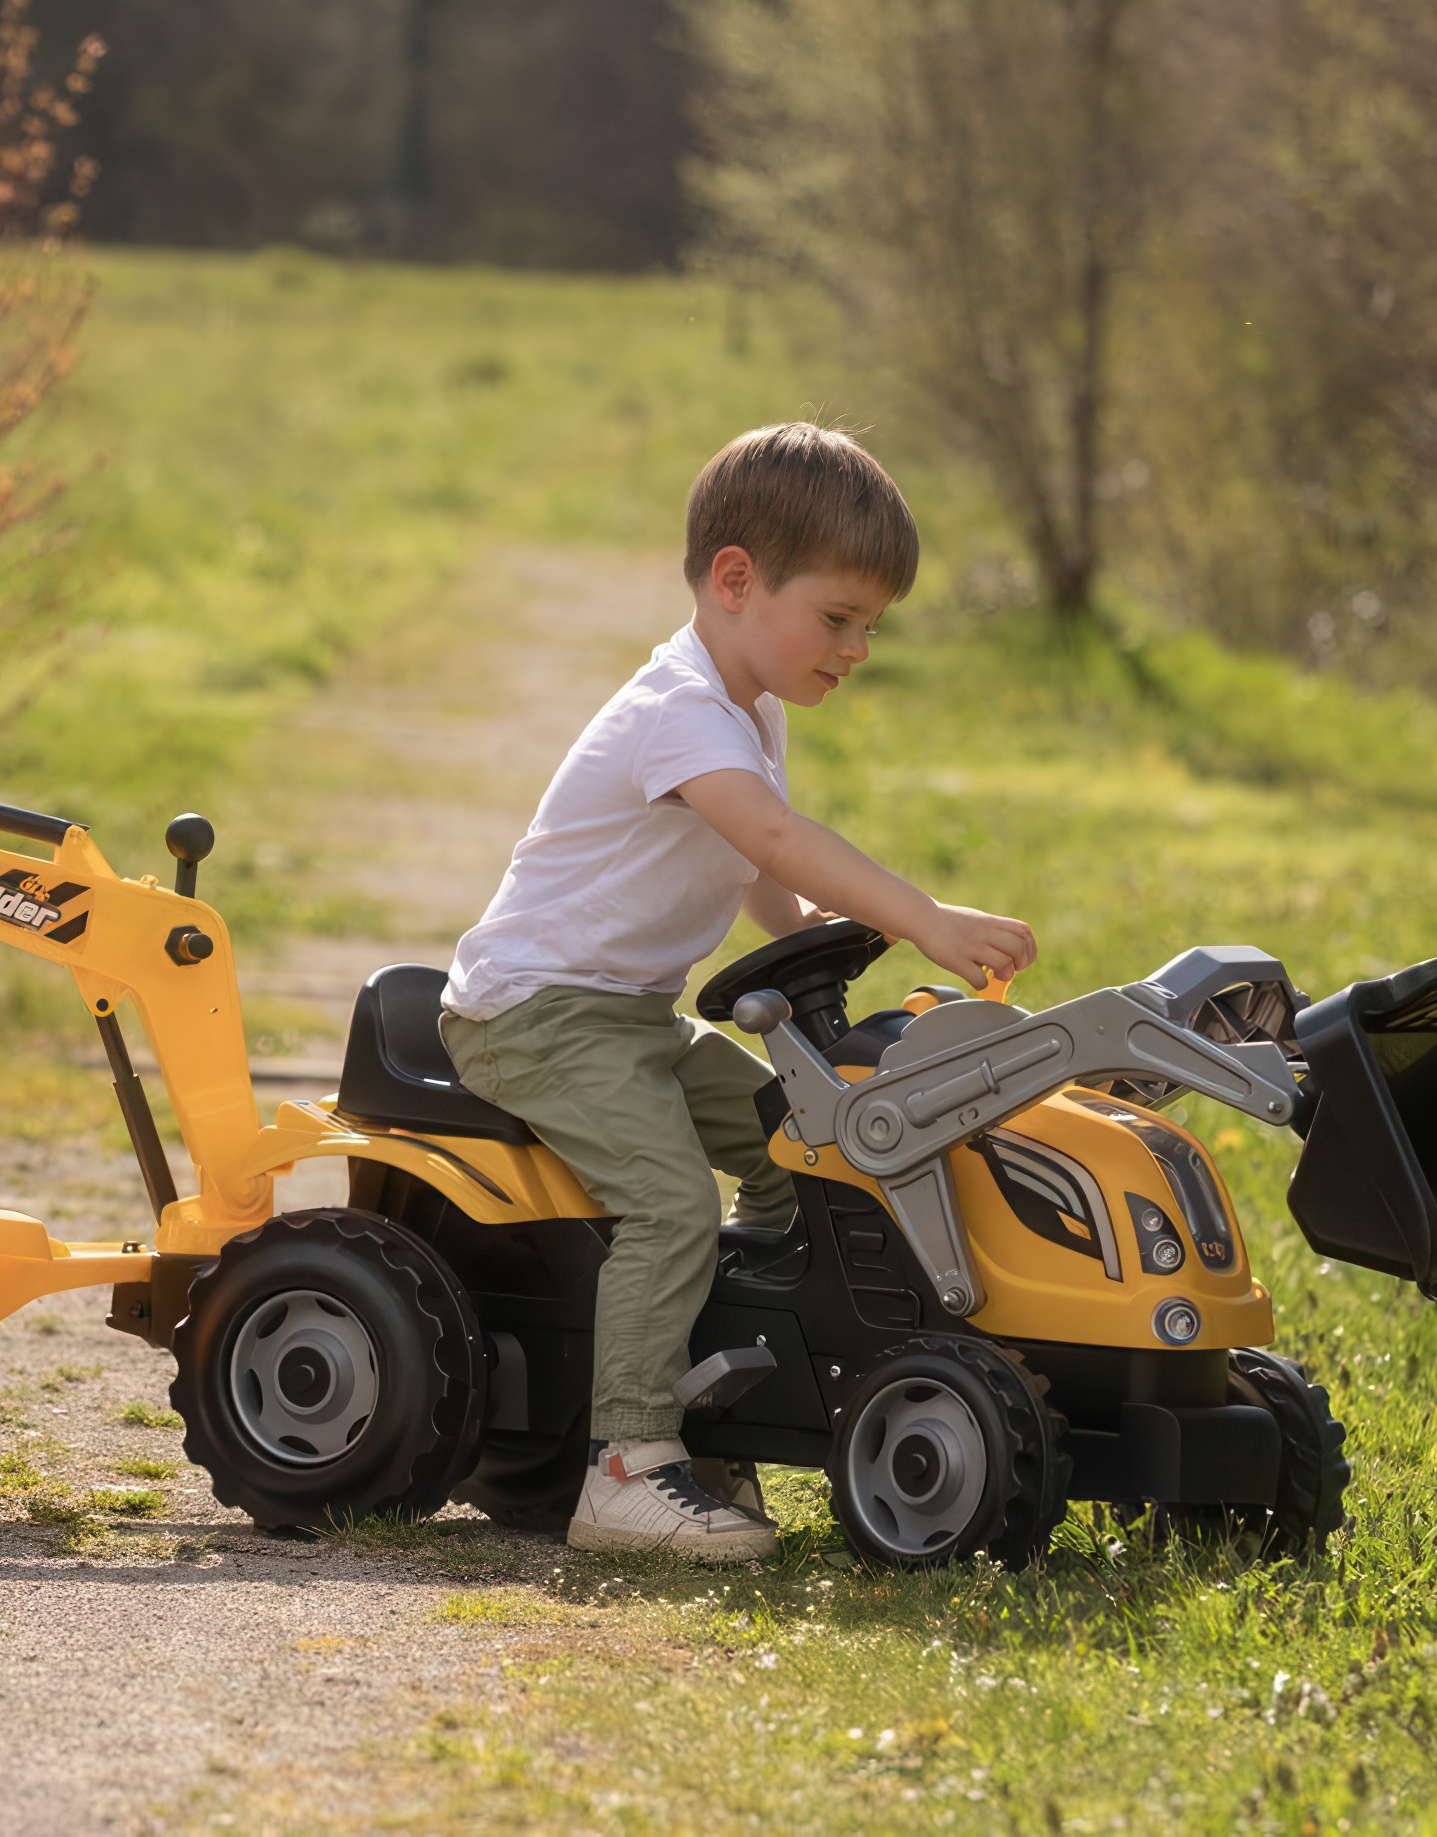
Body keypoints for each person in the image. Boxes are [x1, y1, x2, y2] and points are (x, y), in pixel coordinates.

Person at [439, 422, 1036, 1561]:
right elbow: (772, 833)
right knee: (669, 1201)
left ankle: (716, 1405)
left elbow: (752, 867)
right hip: (532, 1015)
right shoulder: (680, 709)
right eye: (840, 616)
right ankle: (625, 1464)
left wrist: (809, 939)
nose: (858, 647)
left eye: (872, 625)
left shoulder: (748, 708)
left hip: (626, 1019)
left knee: (794, 1153)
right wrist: (926, 917)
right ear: (736, 579)